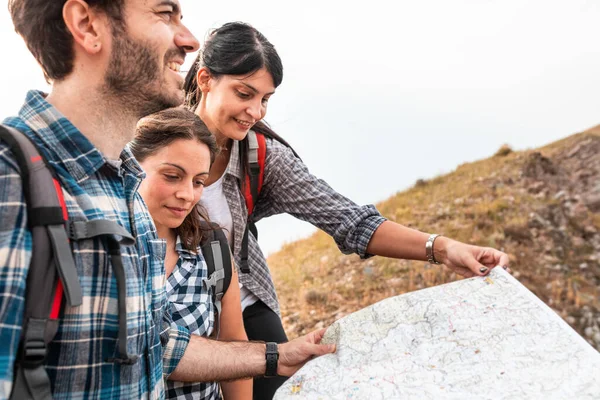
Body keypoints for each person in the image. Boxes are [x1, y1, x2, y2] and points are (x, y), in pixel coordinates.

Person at [1, 2, 333, 399]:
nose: (190, 40)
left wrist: (277, 355)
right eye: (164, 13)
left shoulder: (125, 188)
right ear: (87, 25)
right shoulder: (12, 176)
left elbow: (156, 344)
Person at [183, 21, 511, 399]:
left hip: (245, 304)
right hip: (175, 312)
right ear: (206, 79)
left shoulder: (260, 155)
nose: (255, 110)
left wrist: (444, 248)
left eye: (266, 98)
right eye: (245, 93)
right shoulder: (150, 139)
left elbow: (347, 220)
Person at [131, 107, 251, 399]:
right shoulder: (102, 250)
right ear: (130, 165)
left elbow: (234, 344)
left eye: (198, 182)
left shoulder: (211, 249)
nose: (187, 194)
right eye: (172, 176)